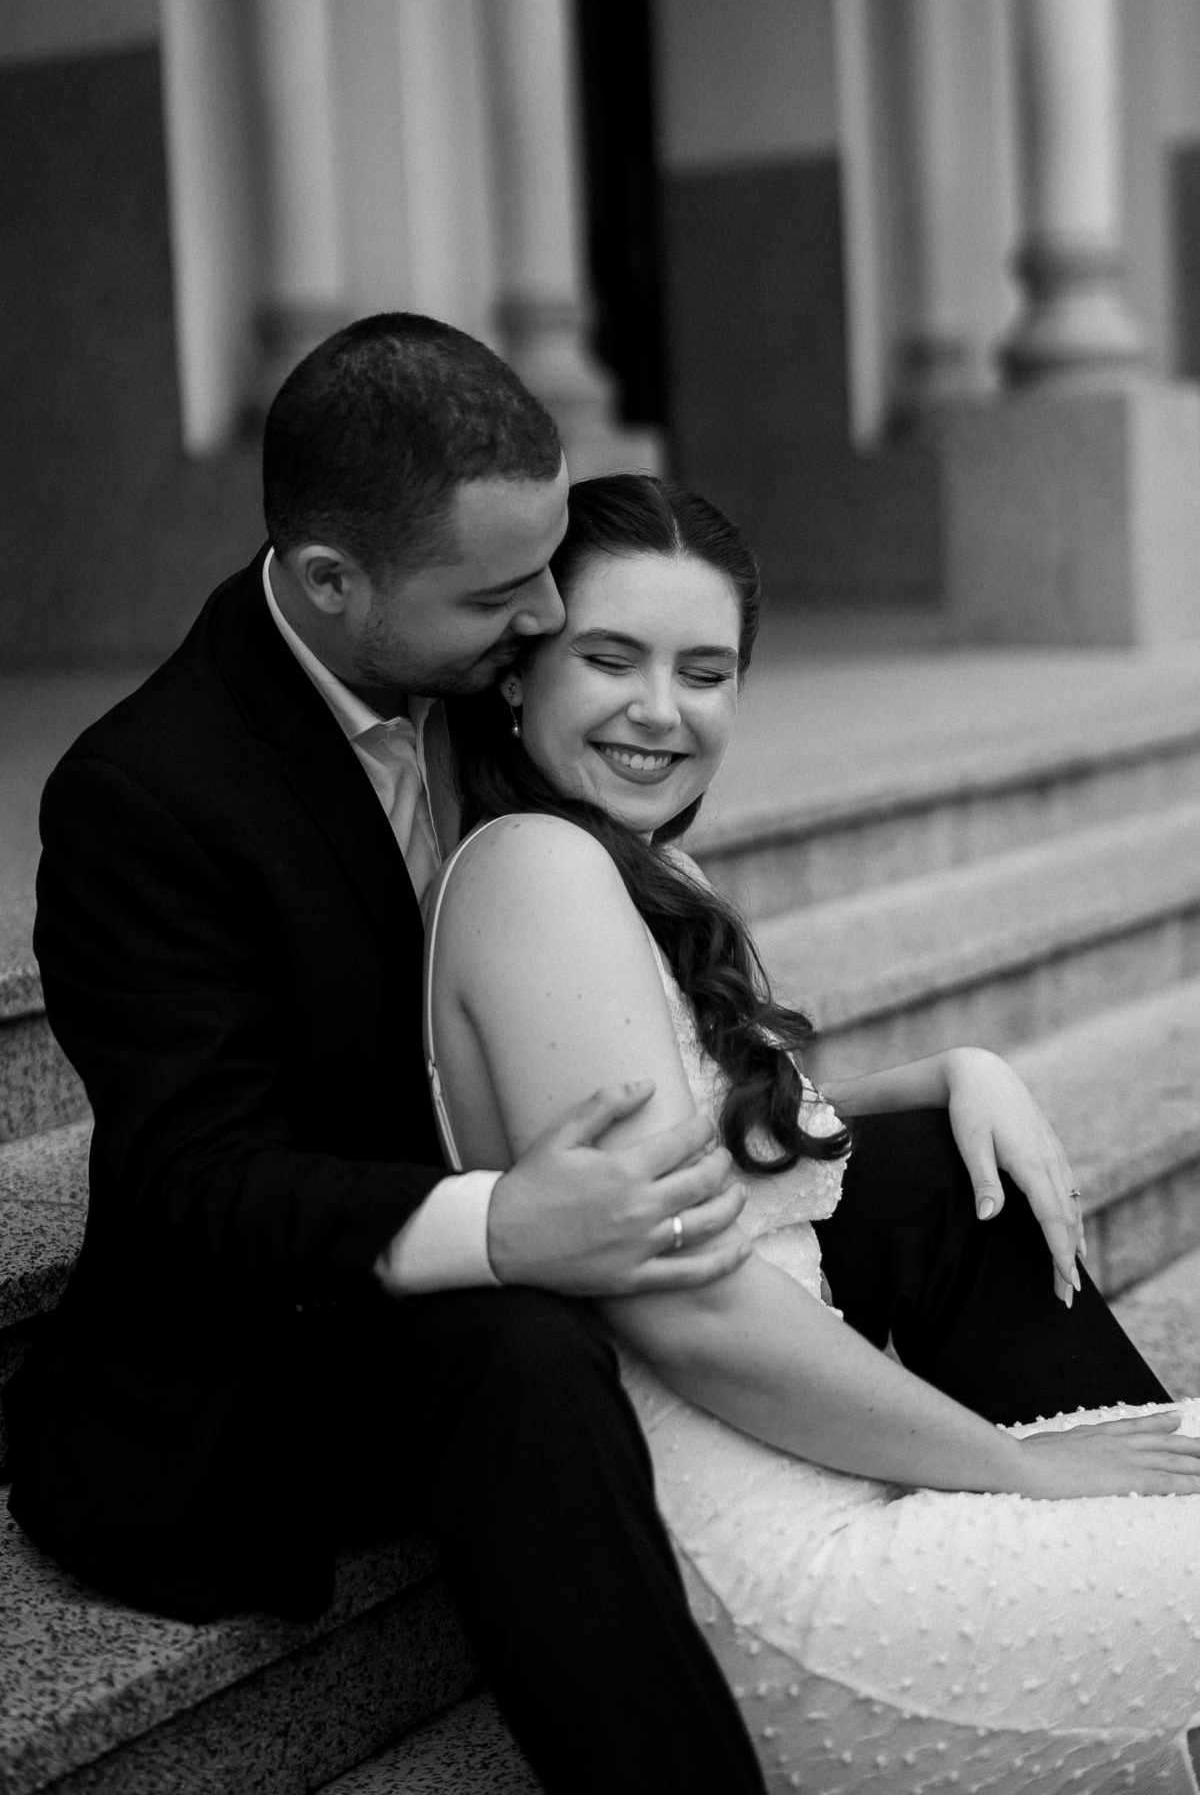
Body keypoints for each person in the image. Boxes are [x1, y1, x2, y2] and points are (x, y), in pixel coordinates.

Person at [6, 314, 768, 1794]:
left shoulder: (487, 683)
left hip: (557, 1202)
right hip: (288, 1340)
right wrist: (504, 1224)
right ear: (331, 581)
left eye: (548, 564)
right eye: (499, 591)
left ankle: (1116, 1536)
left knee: (950, 1181)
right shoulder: (145, 796)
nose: (547, 613)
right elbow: (196, 1179)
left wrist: (933, 1086)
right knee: (526, 1352)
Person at [427, 471, 1200, 1793]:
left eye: (705, 672)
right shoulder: (535, 872)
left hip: (837, 1486)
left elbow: (741, 1146)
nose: (661, 710)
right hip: (786, 1579)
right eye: (610, 659)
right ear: (517, 672)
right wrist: (1019, 1473)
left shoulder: (634, 866)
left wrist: (952, 1070)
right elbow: (691, 1313)